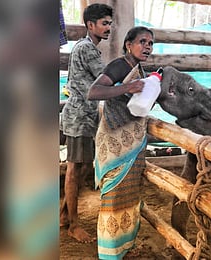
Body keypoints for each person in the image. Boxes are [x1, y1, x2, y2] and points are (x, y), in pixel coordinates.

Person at [87, 26, 155, 259]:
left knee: (129, 197)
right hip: (115, 145)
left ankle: (123, 247)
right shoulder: (118, 66)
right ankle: (109, 253)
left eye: (150, 43)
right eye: (142, 42)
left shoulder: (141, 71)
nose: (147, 47)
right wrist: (128, 87)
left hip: (132, 146)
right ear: (128, 44)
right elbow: (93, 92)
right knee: (113, 199)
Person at [60, 3, 113, 243]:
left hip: (83, 116)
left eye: (110, 23)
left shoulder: (86, 47)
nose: (108, 28)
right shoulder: (88, 50)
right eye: (104, 23)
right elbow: (107, 80)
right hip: (80, 117)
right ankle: (73, 225)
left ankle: (64, 215)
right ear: (90, 25)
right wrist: (132, 86)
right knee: (73, 170)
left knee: (80, 167)